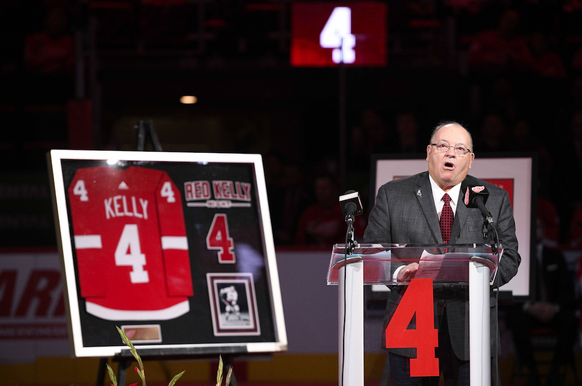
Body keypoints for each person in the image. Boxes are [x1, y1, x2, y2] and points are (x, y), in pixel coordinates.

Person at [364, 122, 521, 385]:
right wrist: (402, 272)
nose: (451, 153)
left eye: (460, 149)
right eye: (443, 146)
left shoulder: (493, 198)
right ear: (428, 153)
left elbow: (510, 257)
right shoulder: (393, 195)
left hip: (472, 326)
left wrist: (479, 274)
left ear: (470, 160)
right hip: (412, 323)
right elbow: (374, 251)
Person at [506, 218, 577, 386]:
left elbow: (566, 290)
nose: (535, 230)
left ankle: (555, 372)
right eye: (531, 228)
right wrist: (529, 306)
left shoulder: (556, 256)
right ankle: (532, 372)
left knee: (571, 322)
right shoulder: (517, 258)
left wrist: (554, 307)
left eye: (537, 227)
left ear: (543, 230)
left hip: (553, 311)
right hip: (528, 311)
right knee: (515, 320)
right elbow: (511, 290)